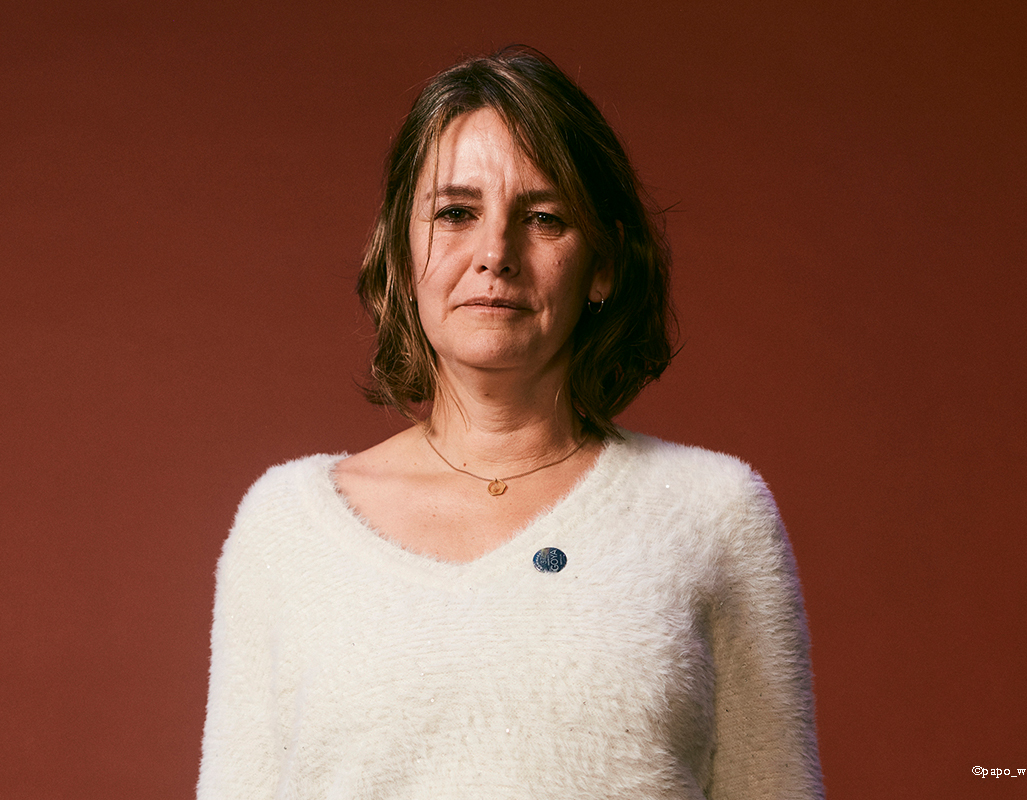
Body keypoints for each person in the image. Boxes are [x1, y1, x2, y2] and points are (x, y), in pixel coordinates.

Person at [197, 47, 824, 799]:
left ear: (602, 265)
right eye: (455, 214)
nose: (495, 254)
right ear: (401, 249)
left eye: (545, 218)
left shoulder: (714, 513)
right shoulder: (285, 528)